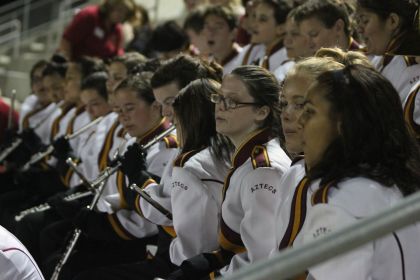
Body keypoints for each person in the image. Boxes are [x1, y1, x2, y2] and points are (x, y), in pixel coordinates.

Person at [275, 62, 420, 280]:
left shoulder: (341, 203)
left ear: (342, 125)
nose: (301, 120)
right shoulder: (399, 180)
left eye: (310, 111)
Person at [167, 65, 291, 279]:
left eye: (232, 101)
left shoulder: (263, 171)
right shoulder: (246, 158)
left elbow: (262, 262)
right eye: (219, 98)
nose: (220, 108)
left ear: (261, 112)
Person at [356, 0, 420, 104]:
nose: (359, 29)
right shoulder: (378, 58)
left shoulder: (413, 68)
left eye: (365, 21)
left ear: (392, 21)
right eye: (358, 21)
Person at [58, 0, 136, 60]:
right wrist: (66, 65)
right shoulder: (89, 15)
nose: (121, 15)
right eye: (119, 10)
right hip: (74, 65)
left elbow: (118, 54)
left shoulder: (117, 30)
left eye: (125, 13)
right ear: (110, 6)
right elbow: (67, 40)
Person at [293, 0, 364, 55]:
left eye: (313, 34)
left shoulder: (369, 63)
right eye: (305, 38)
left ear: (338, 27)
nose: (309, 45)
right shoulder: (310, 70)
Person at [247, 0, 292, 71]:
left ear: (281, 28)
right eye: (254, 16)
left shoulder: (286, 57)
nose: (254, 24)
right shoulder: (259, 51)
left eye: (262, 19)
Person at [203, 5, 243, 75]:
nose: (211, 32)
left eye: (218, 27)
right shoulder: (205, 63)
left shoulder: (245, 60)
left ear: (233, 33)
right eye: (207, 26)